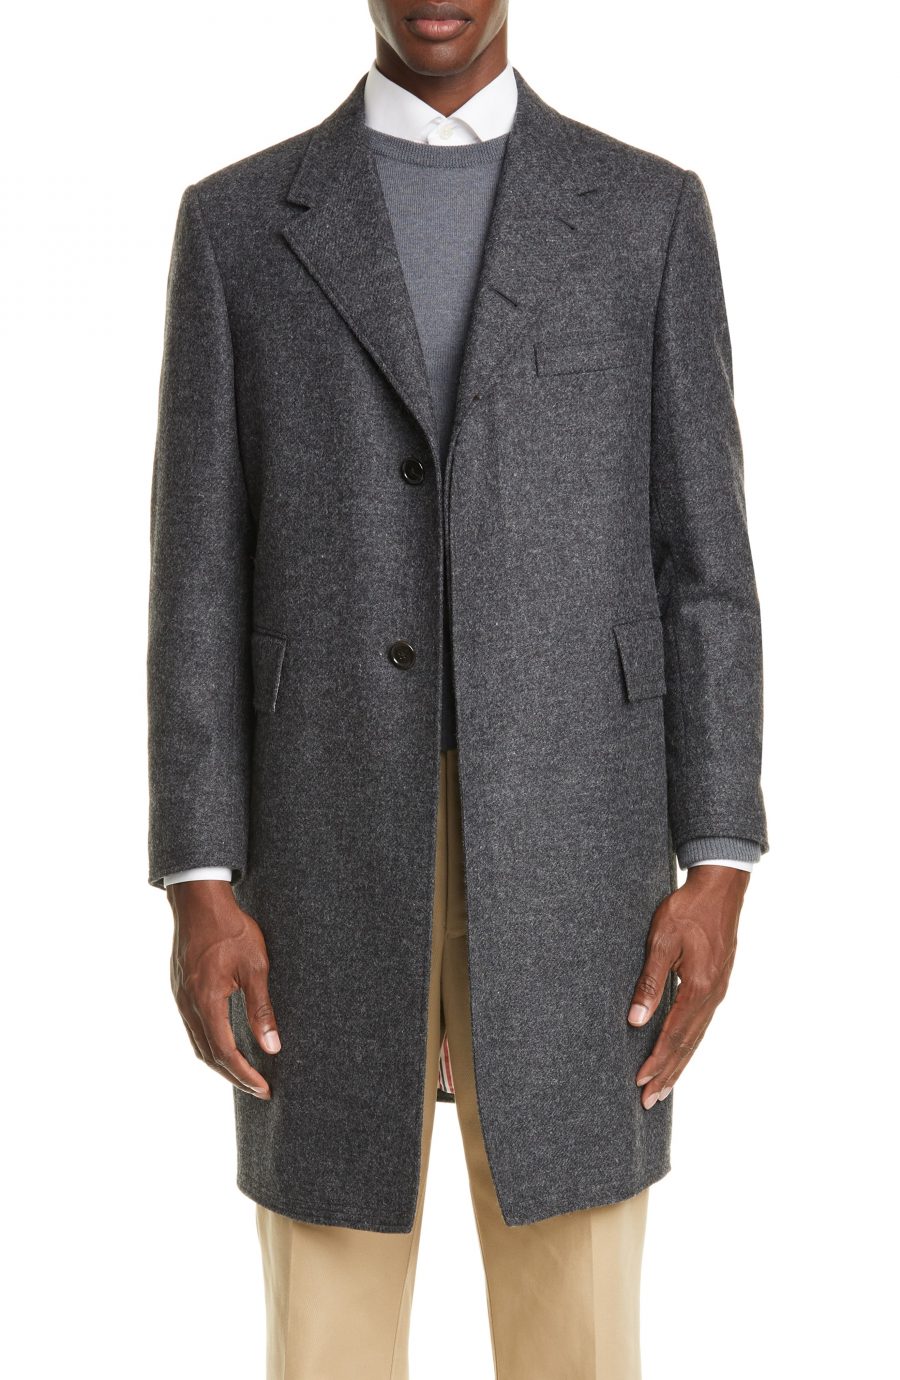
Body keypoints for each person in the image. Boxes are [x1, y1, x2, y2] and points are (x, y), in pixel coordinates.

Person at [147, 2, 768, 1375]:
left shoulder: (646, 214)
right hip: (317, 845)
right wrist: (198, 878)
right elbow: (198, 576)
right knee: (327, 1325)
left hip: (581, 844)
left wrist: (720, 862)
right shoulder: (238, 226)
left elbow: (705, 567)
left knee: (576, 1325)